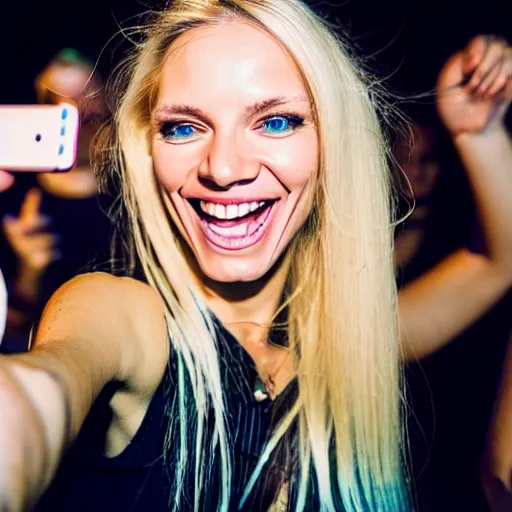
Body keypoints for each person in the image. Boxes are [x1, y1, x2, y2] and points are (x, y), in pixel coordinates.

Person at [0, 3, 510, 512]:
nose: (223, 168)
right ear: (148, 149)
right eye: (183, 127)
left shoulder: (348, 339)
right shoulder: (119, 316)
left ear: (330, 140)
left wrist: (477, 133)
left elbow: (495, 264)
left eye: (277, 121)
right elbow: (33, 401)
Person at [0, 49, 111, 352]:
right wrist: (28, 275)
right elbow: (10, 334)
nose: (75, 111)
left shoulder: (139, 190)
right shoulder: (12, 198)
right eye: (58, 99)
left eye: (88, 97)